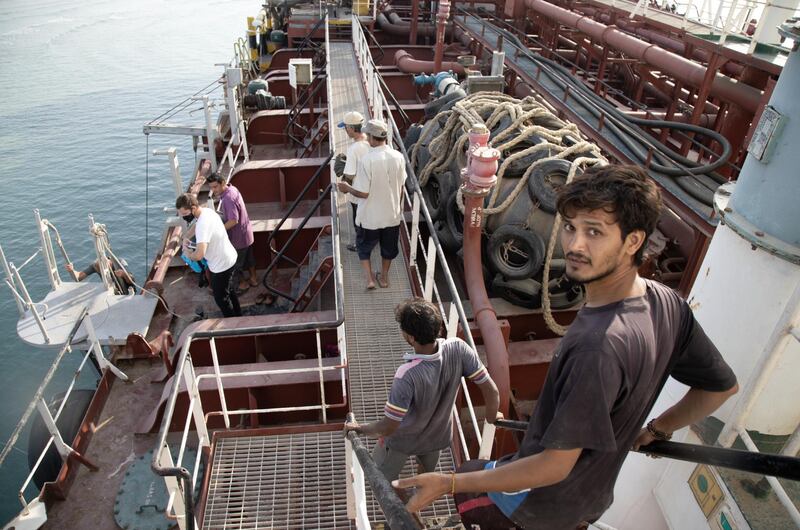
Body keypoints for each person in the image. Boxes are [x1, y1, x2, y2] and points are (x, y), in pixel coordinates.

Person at [394, 165, 739, 529]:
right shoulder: (667, 302)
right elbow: (720, 387)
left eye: (594, 232)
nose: (574, 245)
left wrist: (448, 482)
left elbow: (553, 466)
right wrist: (656, 430)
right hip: (589, 500)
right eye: (571, 227)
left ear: (634, 241)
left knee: (466, 486)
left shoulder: (597, 345)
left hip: (536, 508)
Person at [344, 298, 500, 481]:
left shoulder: (406, 375)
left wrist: (359, 429)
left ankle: (404, 508)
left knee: (381, 478)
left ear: (410, 337)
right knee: (426, 477)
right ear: (438, 327)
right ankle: (418, 501)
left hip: (402, 441)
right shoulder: (459, 348)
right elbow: (492, 392)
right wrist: (491, 416)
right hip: (437, 438)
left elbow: (388, 427)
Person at [337, 119, 406, 290]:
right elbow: (402, 185)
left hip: (370, 217)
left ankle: (369, 280)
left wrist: (347, 188)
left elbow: (363, 193)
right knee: (388, 248)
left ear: (372, 138)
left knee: (363, 246)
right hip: (392, 215)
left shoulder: (367, 160)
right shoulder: (398, 157)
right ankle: (383, 279)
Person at [177, 193, 242, 318]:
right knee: (229, 289)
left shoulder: (203, 226)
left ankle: (232, 322)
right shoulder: (207, 211)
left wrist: (188, 254)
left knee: (221, 298)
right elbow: (196, 225)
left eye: (185, 214)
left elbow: (199, 255)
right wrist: (186, 237)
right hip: (229, 257)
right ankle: (238, 314)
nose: (184, 217)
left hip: (221, 266)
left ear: (193, 208)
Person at [205, 172, 258, 292]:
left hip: (238, 238)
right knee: (250, 259)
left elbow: (234, 220)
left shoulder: (227, 199)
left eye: (215, 187)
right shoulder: (233, 189)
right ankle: (254, 279)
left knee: (236, 264)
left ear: (222, 183)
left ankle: (243, 284)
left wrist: (218, 229)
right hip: (246, 233)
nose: (213, 190)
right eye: (211, 187)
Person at [336, 111, 370, 252]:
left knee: (358, 221)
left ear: (350, 128)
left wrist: (343, 183)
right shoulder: (371, 140)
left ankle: (360, 245)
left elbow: (349, 175)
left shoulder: (354, 149)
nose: (345, 130)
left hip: (358, 192)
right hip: (372, 188)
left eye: (345, 128)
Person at [65, 259, 135, 294]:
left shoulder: (120, 262)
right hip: (111, 290)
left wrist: (123, 274)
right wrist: (72, 270)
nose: (102, 272)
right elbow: (79, 277)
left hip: (127, 289)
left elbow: (132, 280)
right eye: (99, 271)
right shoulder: (95, 266)